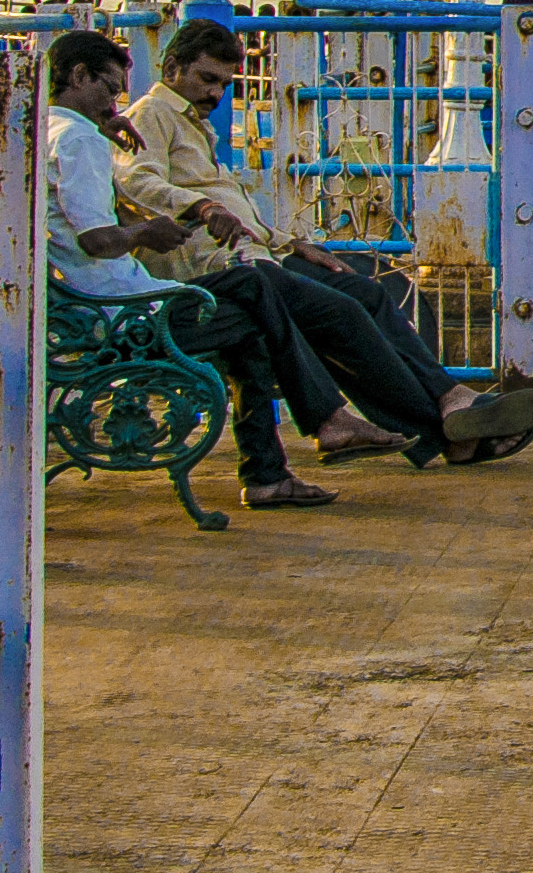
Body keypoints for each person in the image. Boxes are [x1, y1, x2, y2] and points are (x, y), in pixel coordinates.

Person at [124, 17, 533, 462]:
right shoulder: (151, 116)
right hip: (220, 269)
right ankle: (447, 429)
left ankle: (449, 397)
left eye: (224, 84)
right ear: (171, 68)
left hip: (259, 252)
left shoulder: (193, 123)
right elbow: (134, 179)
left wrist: (289, 242)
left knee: (367, 293)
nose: (216, 94)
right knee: (343, 317)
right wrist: (201, 208)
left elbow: (233, 207)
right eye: (208, 79)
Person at [40, 28, 330, 511]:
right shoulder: (79, 143)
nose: (115, 106)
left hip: (84, 310)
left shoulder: (45, 130)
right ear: (77, 75)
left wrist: (101, 127)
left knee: (253, 302)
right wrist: (145, 233)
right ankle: (304, 434)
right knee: (255, 301)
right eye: (109, 92)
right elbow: (98, 240)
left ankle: (277, 463)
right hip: (122, 316)